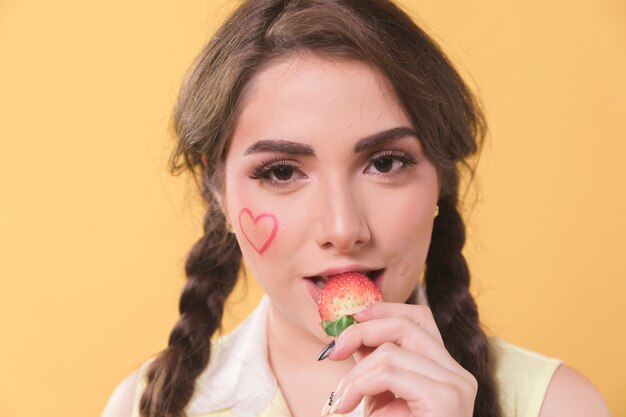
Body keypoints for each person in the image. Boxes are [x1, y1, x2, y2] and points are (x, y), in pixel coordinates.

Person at [102, 1, 610, 416]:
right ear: (220, 190)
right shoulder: (139, 406)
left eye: (385, 162)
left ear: (440, 177)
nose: (344, 230)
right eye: (281, 172)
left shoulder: (559, 405)